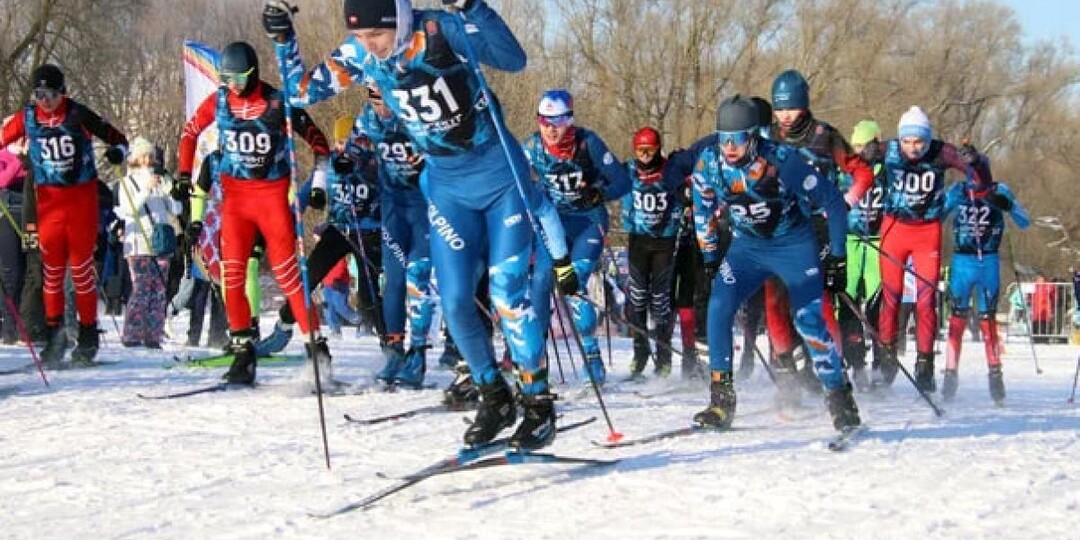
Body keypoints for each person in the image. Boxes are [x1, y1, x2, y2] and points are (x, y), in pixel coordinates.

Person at [263, 0, 576, 449]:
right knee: (452, 301)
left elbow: (513, 59)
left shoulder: (439, 29)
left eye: (377, 36)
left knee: (507, 293)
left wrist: (473, 8)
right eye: (361, 38)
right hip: (447, 189)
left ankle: (538, 401)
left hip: (498, 178)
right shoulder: (361, 54)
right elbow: (297, 93)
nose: (370, 47)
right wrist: (284, 40)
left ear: (399, 22)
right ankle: (494, 395)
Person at [690, 95, 860, 432]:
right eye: (723, 139)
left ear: (754, 136)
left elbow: (833, 202)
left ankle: (839, 396)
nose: (730, 148)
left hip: (793, 246)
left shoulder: (783, 160)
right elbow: (702, 209)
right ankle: (721, 400)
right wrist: (710, 257)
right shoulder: (708, 163)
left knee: (807, 319)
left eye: (737, 139)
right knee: (718, 305)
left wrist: (838, 256)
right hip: (747, 249)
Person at [177, 42, 332, 386]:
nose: (232, 85)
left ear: (254, 74)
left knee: (288, 274)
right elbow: (189, 134)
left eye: (239, 78)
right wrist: (184, 176)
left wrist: (319, 183)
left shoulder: (279, 102)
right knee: (230, 276)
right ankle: (243, 350)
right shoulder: (218, 101)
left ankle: (316, 348)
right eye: (227, 78)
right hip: (235, 203)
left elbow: (319, 142)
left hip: (272, 199)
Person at [0, 64, 129, 365]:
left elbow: (119, 139)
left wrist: (117, 153)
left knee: (82, 271)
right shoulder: (28, 117)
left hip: (80, 202)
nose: (45, 101)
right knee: (52, 273)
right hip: (48, 204)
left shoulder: (78, 114)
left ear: (63, 92)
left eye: (51, 94)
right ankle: (54, 335)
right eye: (39, 94)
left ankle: (87, 335)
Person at [769, 70, 875, 398]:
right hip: (778, 226)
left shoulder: (825, 136)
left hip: (816, 226)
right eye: (780, 109)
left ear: (804, 106)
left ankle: (832, 365)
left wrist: (843, 204)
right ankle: (787, 367)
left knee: (817, 300)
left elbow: (862, 173)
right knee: (774, 299)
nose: (785, 116)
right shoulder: (768, 136)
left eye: (791, 109)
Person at [876, 106, 989, 392]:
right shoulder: (888, 149)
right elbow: (850, 162)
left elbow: (981, 181)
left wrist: (976, 161)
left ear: (928, 140)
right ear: (899, 139)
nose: (913, 148)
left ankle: (925, 364)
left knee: (926, 300)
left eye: (919, 142)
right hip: (894, 229)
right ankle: (886, 358)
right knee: (891, 298)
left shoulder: (942, 152)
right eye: (907, 141)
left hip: (927, 232)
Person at [523, 89, 631, 385]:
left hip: (587, 221)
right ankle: (535, 357)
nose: (550, 129)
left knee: (574, 283)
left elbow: (623, 181)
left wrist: (599, 192)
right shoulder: (531, 147)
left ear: (569, 120)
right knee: (542, 281)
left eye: (557, 121)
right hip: (554, 224)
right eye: (544, 121)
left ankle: (591, 357)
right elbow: (512, 181)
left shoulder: (588, 143)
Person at [356, 88, 437, 389]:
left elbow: (444, 150)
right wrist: (348, 162)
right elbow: (355, 152)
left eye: (386, 100)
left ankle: (418, 354)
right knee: (393, 280)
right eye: (375, 100)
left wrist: (427, 159)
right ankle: (394, 351)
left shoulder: (415, 118)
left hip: (423, 205)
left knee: (417, 277)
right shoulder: (367, 119)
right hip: (392, 208)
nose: (381, 107)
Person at [941, 160, 1029, 403]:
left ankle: (995, 374)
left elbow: (1024, 220)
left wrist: (1008, 205)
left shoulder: (999, 190)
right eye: (973, 177)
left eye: (981, 178)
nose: (977, 184)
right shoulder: (959, 190)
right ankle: (950, 374)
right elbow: (937, 216)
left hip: (988, 262)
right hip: (962, 262)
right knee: (957, 319)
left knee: (987, 321)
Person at [620, 126, 685, 378]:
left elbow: (683, 194)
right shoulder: (629, 170)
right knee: (637, 298)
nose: (645, 155)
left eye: (650, 149)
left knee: (660, 302)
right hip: (638, 239)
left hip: (664, 242)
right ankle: (640, 351)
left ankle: (664, 356)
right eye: (640, 150)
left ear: (659, 148)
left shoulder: (669, 170)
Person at [836, 119, 888, 391]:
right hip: (850, 241)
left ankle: (881, 362)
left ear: (875, 145)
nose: (859, 152)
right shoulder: (846, 172)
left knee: (877, 304)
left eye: (864, 146)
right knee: (848, 303)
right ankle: (855, 362)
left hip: (878, 243)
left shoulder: (887, 172)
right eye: (855, 146)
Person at [114, 137, 181, 348]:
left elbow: (176, 210)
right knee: (141, 289)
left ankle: (154, 334)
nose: (148, 160)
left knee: (159, 291)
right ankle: (133, 334)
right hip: (138, 242)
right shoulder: (128, 182)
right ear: (135, 158)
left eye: (150, 156)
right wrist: (145, 190)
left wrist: (170, 192)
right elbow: (128, 210)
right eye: (144, 156)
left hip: (160, 242)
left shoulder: (159, 180)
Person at [0, 137, 27, 344]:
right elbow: (3, 180)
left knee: (30, 272)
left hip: (30, 215)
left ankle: (27, 324)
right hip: (8, 213)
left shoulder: (31, 153)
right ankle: (9, 327)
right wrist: (18, 160)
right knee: (11, 271)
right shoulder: (4, 154)